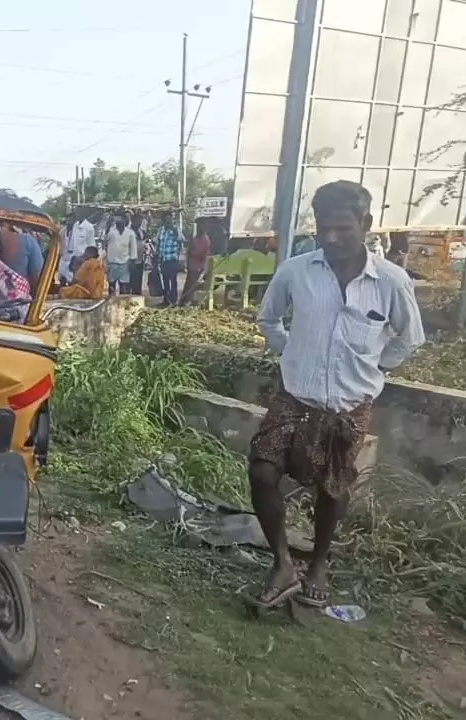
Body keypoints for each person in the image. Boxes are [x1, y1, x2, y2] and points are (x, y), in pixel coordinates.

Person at [248, 180, 424, 609]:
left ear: (365, 224)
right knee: (261, 471)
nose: (331, 238)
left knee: (333, 487)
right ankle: (283, 562)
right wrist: (292, 351)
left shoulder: (391, 282)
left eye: (343, 228)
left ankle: (319, 562)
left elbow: (409, 339)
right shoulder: (296, 271)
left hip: (349, 405)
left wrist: (375, 366)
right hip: (294, 396)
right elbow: (268, 320)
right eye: (324, 228)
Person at [103, 215, 139, 295]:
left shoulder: (130, 233)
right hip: (112, 262)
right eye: (118, 220)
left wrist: (132, 260)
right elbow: (105, 243)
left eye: (122, 220)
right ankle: (111, 301)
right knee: (111, 284)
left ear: (125, 222)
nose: (120, 222)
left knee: (124, 285)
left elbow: (133, 248)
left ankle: (123, 302)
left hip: (125, 262)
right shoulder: (111, 232)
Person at [179, 222, 212, 305]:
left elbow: (202, 254)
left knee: (192, 285)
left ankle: (189, 301)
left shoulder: (205, 239)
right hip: (191, 264)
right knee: (188, 284)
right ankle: (183, 301)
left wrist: (191, 252)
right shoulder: (196, 238)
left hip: (198, 265)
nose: (198, 229)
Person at [154, 213, 183, 307]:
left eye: (169, 220)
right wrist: (156, 255)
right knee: (165, 280)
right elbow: (158, 243)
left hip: (172, 259)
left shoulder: (175, 229)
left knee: (173, 280)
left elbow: (181, 239)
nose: (168, 222)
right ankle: (166, 300)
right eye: (166, 220)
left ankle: (173, 300)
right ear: (163, 221)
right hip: (163, 259)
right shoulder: (161, 230)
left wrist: (174, 230)